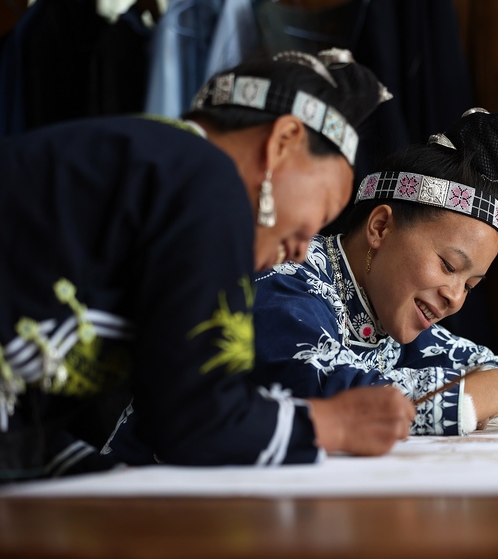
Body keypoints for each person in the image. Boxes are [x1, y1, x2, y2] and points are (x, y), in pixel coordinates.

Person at [0, 48, 415, 483]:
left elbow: (30, 424)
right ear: (282, 142)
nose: (300, 249)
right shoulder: (208, 180)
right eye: (322, 212)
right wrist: (335, 424)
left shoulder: (153, 162)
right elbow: (196, 418)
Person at [249, 108, 498, 435]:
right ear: (380, 227)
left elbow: (481, 364)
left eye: (470, 286)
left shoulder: (389, 313)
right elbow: (334, 390)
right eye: (449, 266)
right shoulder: (287, 275)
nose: (455, 297)